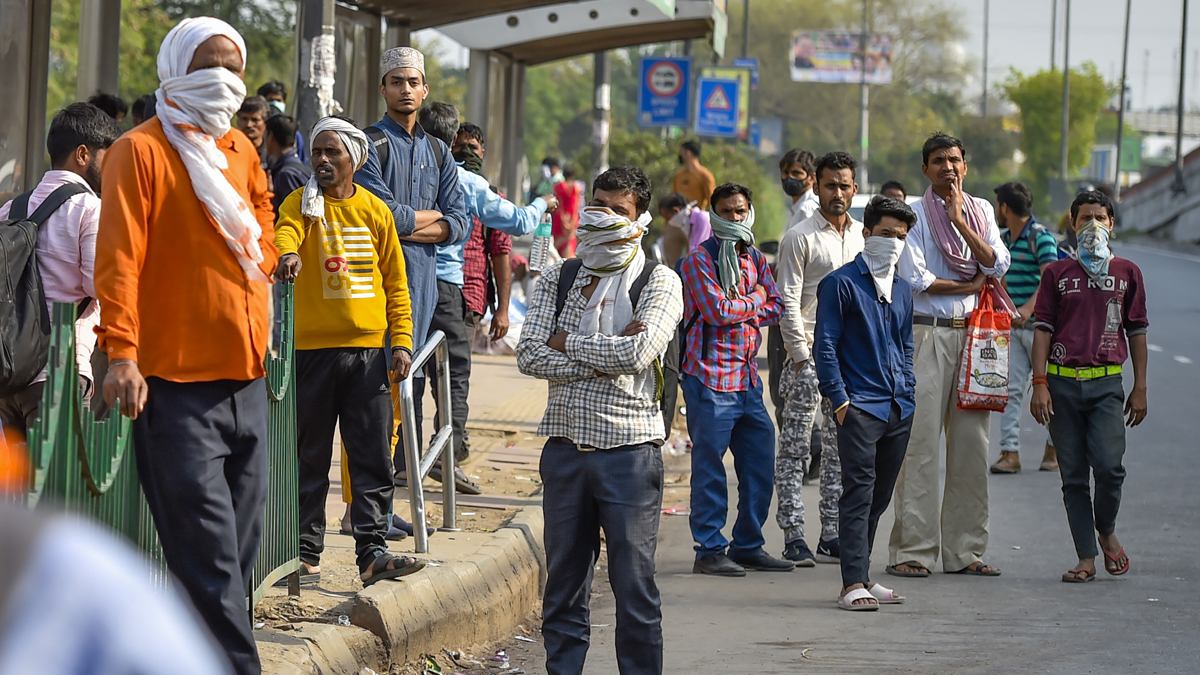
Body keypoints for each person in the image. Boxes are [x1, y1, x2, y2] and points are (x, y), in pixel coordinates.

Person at [94, 17, 280, 675]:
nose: (223, 79)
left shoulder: (241, 150)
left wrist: (277, 254)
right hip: (175, 390)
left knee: (231, 559)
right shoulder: (137, 152)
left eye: (233, 68)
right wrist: (121, 353)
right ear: (175, 67)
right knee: (210, 565)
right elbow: (118, 258)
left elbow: (263, 224)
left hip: (249, 382)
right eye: (208, 65)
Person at [516, 165, 681, 675]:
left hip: (630, 455)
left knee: (634, 586)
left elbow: (640, 353)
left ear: (641, 219)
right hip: (565, 451)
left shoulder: (660, 281)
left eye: (619, 210)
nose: (605, 217)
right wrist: (605, 352)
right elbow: (529, 356)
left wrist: (568, 343)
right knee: (563, 586)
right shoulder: (559, 276)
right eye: (599, 206)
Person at [274, 115, 424, 588]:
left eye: (331, 152)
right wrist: (288, 255)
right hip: (311, 355)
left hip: (368, 359)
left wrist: (400, 342)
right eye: (316, 151)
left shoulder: (376, 212)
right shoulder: (300, 204)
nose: (321, 159)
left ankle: (372, 552)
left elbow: (397, 287)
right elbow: (285, 234)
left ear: (353, 160)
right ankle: (305, 554)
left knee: (372, 458)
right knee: (308, 456)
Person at [405, 102, 555, 494]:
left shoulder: (406, 173)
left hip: (405, 284)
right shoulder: (466, 182)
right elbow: (520, 222)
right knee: (452, 376)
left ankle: (404, 459)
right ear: (453, 141)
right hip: (446, 290)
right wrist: (544, 204)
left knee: (408, 370)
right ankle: (446, 460)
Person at [888, 133, 1010, 579]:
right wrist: (969, 286)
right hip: (926, 337)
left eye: (955, 159)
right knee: (919, 446)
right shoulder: (913, 215)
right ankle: (913, 550)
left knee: (972, 448)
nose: (948, 167)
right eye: (938, 160)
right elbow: (916, 279)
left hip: (976, 340)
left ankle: (966, 552)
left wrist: (960, 222)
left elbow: (997, 264)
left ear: (966, 164)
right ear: (925, 169)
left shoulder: (980, 212)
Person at [354, 46, 469, 482]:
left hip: (422, 282)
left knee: (408, 382)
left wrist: (413, 224)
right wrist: (430, 219)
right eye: (397, 82)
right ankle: (367, 501)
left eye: (413, 82)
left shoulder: (440, 151)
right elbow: (384, 216)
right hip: (374, 281)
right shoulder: (368, 144)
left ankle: (390, 487)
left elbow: (460, 222)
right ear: (383, 88)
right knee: (373, 389)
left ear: (424, 90)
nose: (405, 90)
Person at [1030, 190, 1147, 584]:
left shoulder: (1128, 273)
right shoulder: (1057, 274)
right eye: (1085, 218)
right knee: (1074, 476)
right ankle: (1086, 556)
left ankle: (1106, 528)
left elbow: (1137, 332)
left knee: (1111, 467)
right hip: (1062, 386)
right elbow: (1043, 330)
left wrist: (1140, 387)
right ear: (1072, 222)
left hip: (1106, 385)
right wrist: (1040, 382)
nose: (1093, 225)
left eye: (1100, 217)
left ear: (1111, 223)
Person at [681, 182, 792, 577]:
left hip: (746, 381)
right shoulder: (699, 260)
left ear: (750, 212)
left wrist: (750, 302)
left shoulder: (756, 259)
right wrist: (756, 299)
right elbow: (716, 311)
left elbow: (777, 305)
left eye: (740, 211)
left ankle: (748, 544)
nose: (734, 218)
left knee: (761, 466)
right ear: (714, 215)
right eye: (726, 212)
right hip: (709, 378)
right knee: (711, 469)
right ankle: (709, 549)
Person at [816, 195, 917, 610]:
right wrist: (840, 400)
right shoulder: (840, 284)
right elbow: (825, 345)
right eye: (886, 233)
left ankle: (864, 576)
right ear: (867, 232)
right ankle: (850, 584)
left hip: (898, 407)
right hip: (859, 407)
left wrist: (908, 389)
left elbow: (906, 346)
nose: (893, 242)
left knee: (880, 496)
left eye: (901, 236)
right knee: (858, 492)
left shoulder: (904, 290)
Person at [0, 103, 120, 438]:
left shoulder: (12, 208)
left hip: (8, 372)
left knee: (14, 488)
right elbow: (102, 285)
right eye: (106, 156)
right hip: (58, 372)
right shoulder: (89, 209)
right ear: (83, 154)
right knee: (58, 486)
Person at [773, 151, 863, 567]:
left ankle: (831, 533)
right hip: (807, 358)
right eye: (830, 185)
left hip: (848, 362)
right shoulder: (801, 236)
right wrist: (801, 358)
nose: (838, 193)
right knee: (794, 450)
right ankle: (793, 534)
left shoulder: (863, 238)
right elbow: (787, 301)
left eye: (845, 186)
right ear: (817, 186)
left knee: (838, 451)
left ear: (854, 189)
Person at [990, 182, 1059, 474]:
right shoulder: (1004, 239)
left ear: (1005, 208)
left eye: (998, 206)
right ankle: (1010, 452)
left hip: (1040, 330)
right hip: (1013, 329)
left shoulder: (1040, 238)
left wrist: (1029, 308)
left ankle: (1054, 450)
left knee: (1051, 389)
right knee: (1011, 391)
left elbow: (1050, 280)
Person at [264, 114, 310, 216]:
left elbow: (292, 215)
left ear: (270, 136)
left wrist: (271, 195)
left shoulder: (287, 174)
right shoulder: (299, 166)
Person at [657, 192, 712, 269]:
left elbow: (699, 253)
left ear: (676, 211)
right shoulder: (689, 226)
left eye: (668, 219)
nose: (669, 223)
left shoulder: (703, 218)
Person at [780, 148, 819, 229]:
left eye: (796, 173)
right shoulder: (798, 206)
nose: (789, 178)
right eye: (785, 173)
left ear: (811, 178)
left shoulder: (806, 209)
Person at [671, 140, 716, 211]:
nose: (679, 154)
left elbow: (711, 202)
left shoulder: (705, 176)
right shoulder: (678, 176)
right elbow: (673, 198)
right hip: (679, 218)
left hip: (696, 218)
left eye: (681, 152)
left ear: (688, 153)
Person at [552, 166, 584, 257]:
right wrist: (572, 221)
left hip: (560, 217)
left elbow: (558, 204)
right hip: (572, 218)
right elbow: (577, 206)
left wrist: (563, 219)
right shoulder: (577, 187)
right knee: (569, 244)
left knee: (557, 247)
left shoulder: (558, 186)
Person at [236, 95, 270, 165]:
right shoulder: (228, 151)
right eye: (244, 119)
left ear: (266, 121)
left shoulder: (271, 154)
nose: (249, 125)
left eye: (255, 120)